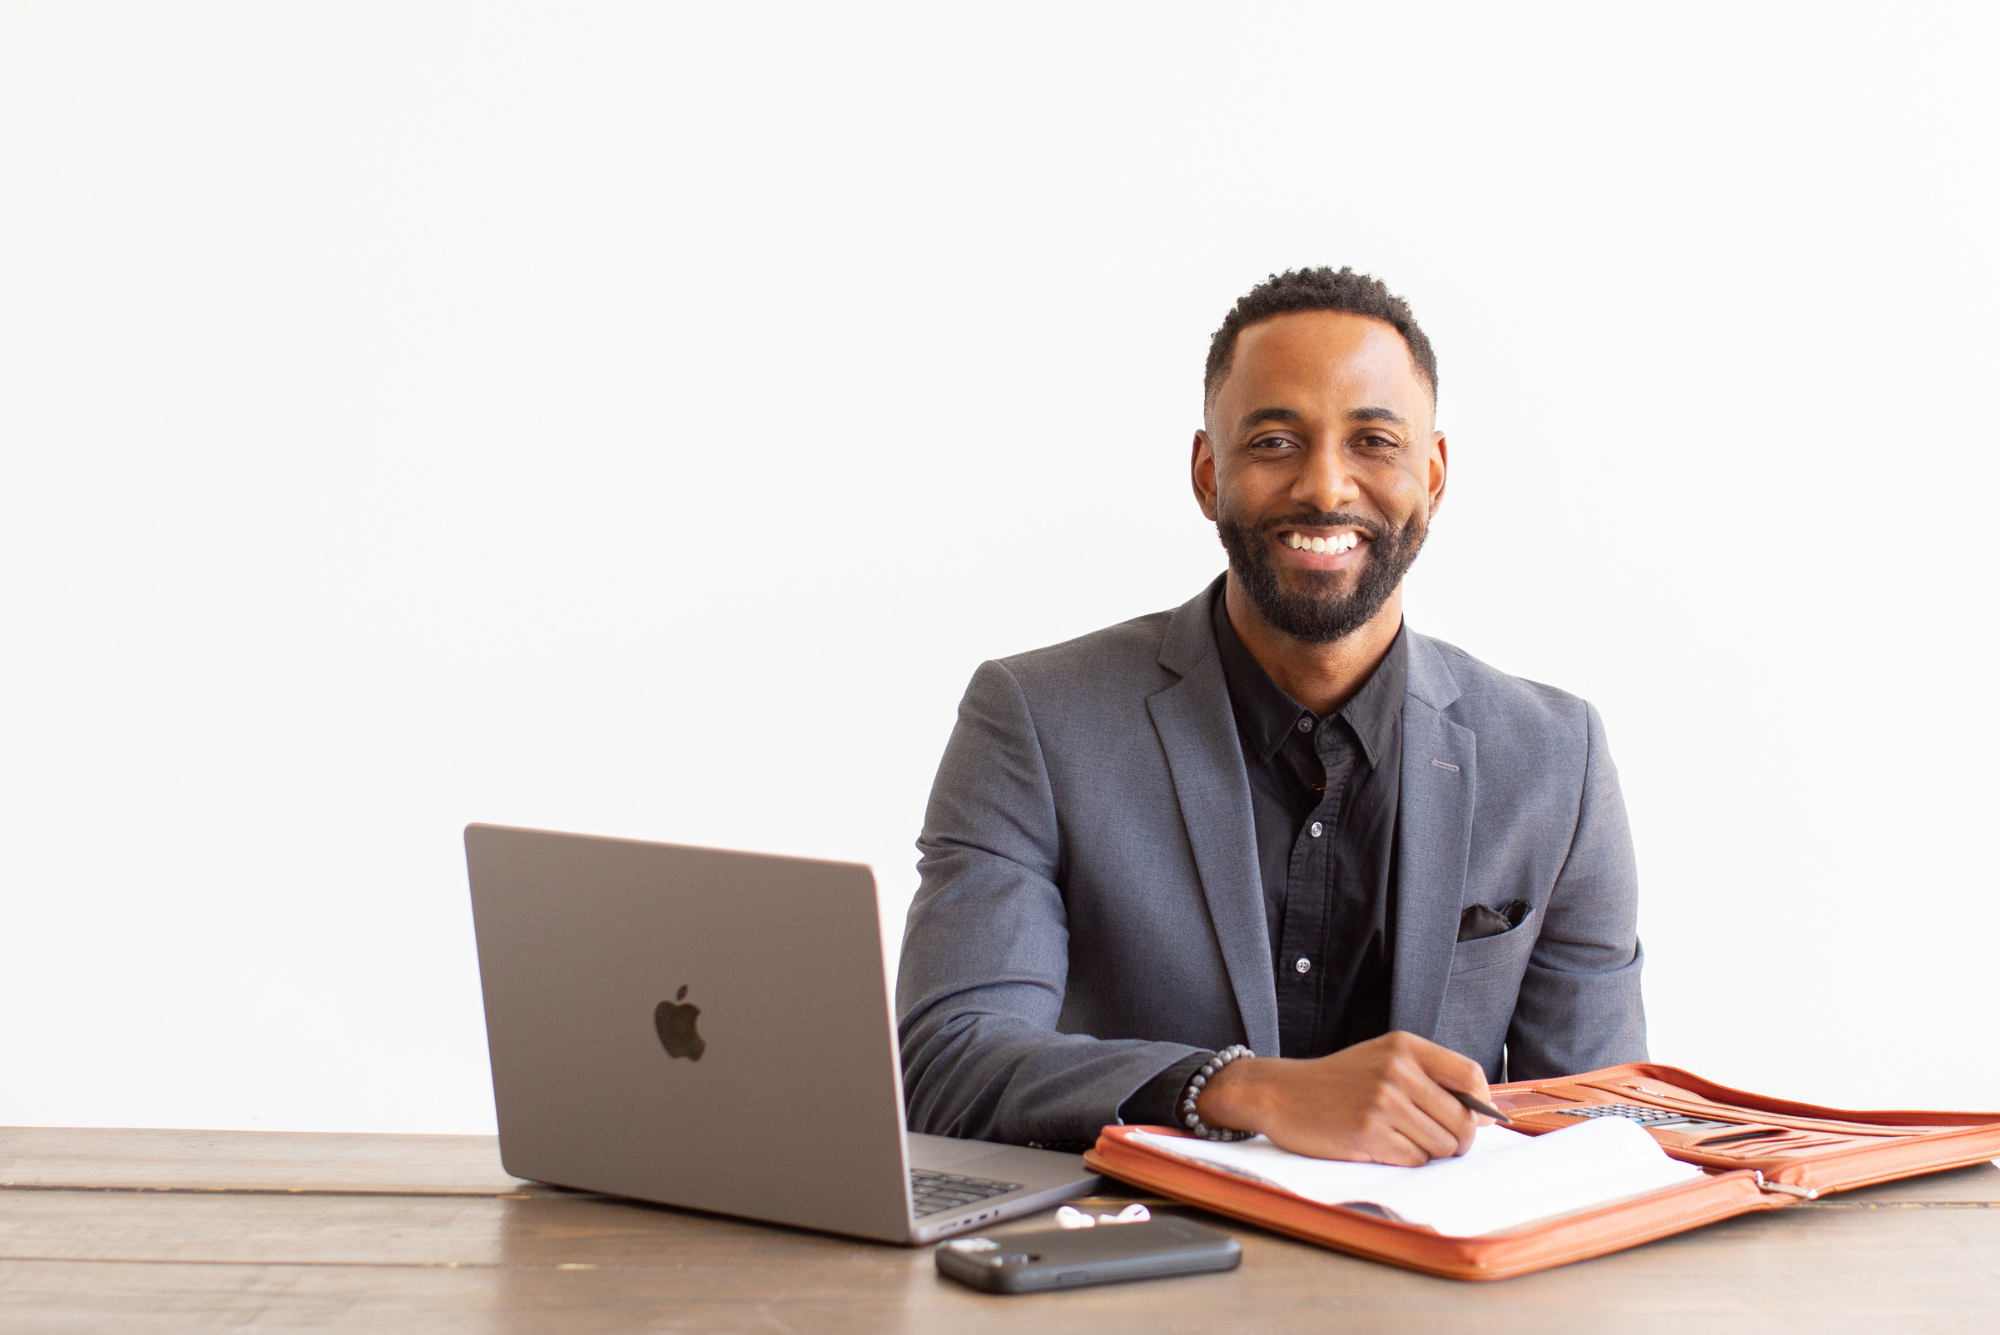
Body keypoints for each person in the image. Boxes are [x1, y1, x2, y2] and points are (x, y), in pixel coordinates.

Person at [896, 268, 1644, 1165]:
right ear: (1210, 475)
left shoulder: (1558, 759)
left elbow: (1602, 1133)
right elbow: (946, 1060)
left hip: (1431, 1294)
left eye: (1373, 439)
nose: (1325, 486)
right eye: (1276, 441)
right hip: (1139, 1279)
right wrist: (1242, 1090)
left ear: (1433, 475)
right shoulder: (1036, 722)